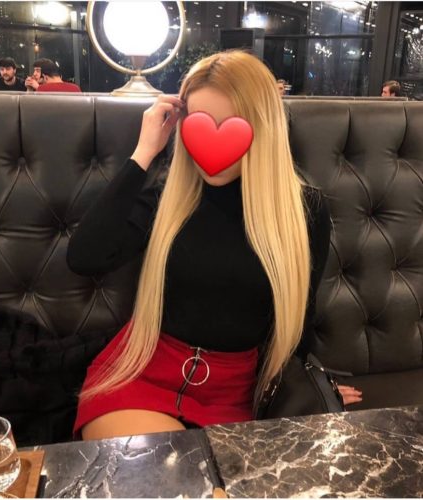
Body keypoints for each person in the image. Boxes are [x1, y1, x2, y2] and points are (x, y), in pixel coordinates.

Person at [67, 50, 362, 441]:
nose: (212, 142)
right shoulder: (167, 199)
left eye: (232, 124)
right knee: (167, 469)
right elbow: (85, 257)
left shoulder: (302, 211)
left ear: (264, 129)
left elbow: (299, 317)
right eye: (198, 123)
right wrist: (145, 151)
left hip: (236, 391)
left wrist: (309, 383)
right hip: (143, 373)